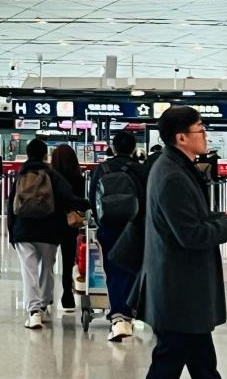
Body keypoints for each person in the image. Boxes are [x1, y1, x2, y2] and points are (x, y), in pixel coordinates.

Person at [134, 106, 227, 379]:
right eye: (200, 129)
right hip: (179, 294)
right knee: (169, 363)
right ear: (181, 137)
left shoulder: (177, 167)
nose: (205, 135)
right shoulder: (172, 175)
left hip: (183, 294)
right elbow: (191, 234)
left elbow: (192, 218)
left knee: (202, 365)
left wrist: (224, 217)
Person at [7, 138, 86, 330]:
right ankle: (43, 304)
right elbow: (70, 198)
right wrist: (91, 205)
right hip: (49, 230)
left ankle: (34, 312)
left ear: (27, 154)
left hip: (23, 230)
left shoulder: (20, 175)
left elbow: (11, 206)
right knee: (47, 269)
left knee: (29, 272)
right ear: (45, 155)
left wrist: (12, 232)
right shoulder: (52, 175)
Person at [86, 130, 147, 339]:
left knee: (112, 270)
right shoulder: (141, 170)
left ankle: (118, 316)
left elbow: (92, 198)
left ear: (113, 148)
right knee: (132, 270)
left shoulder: (102, 169)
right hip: (134, 228)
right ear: (133, 148)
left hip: (108, 227)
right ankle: (127, 314)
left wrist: (99, 221)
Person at [50, 144, 86, 314]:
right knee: (68, 260)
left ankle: (47, 295)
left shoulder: (50, 177)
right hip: (70, 224)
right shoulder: (78, 178)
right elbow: (79, 201)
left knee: (48, 261)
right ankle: (67, 295)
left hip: (51, 221)